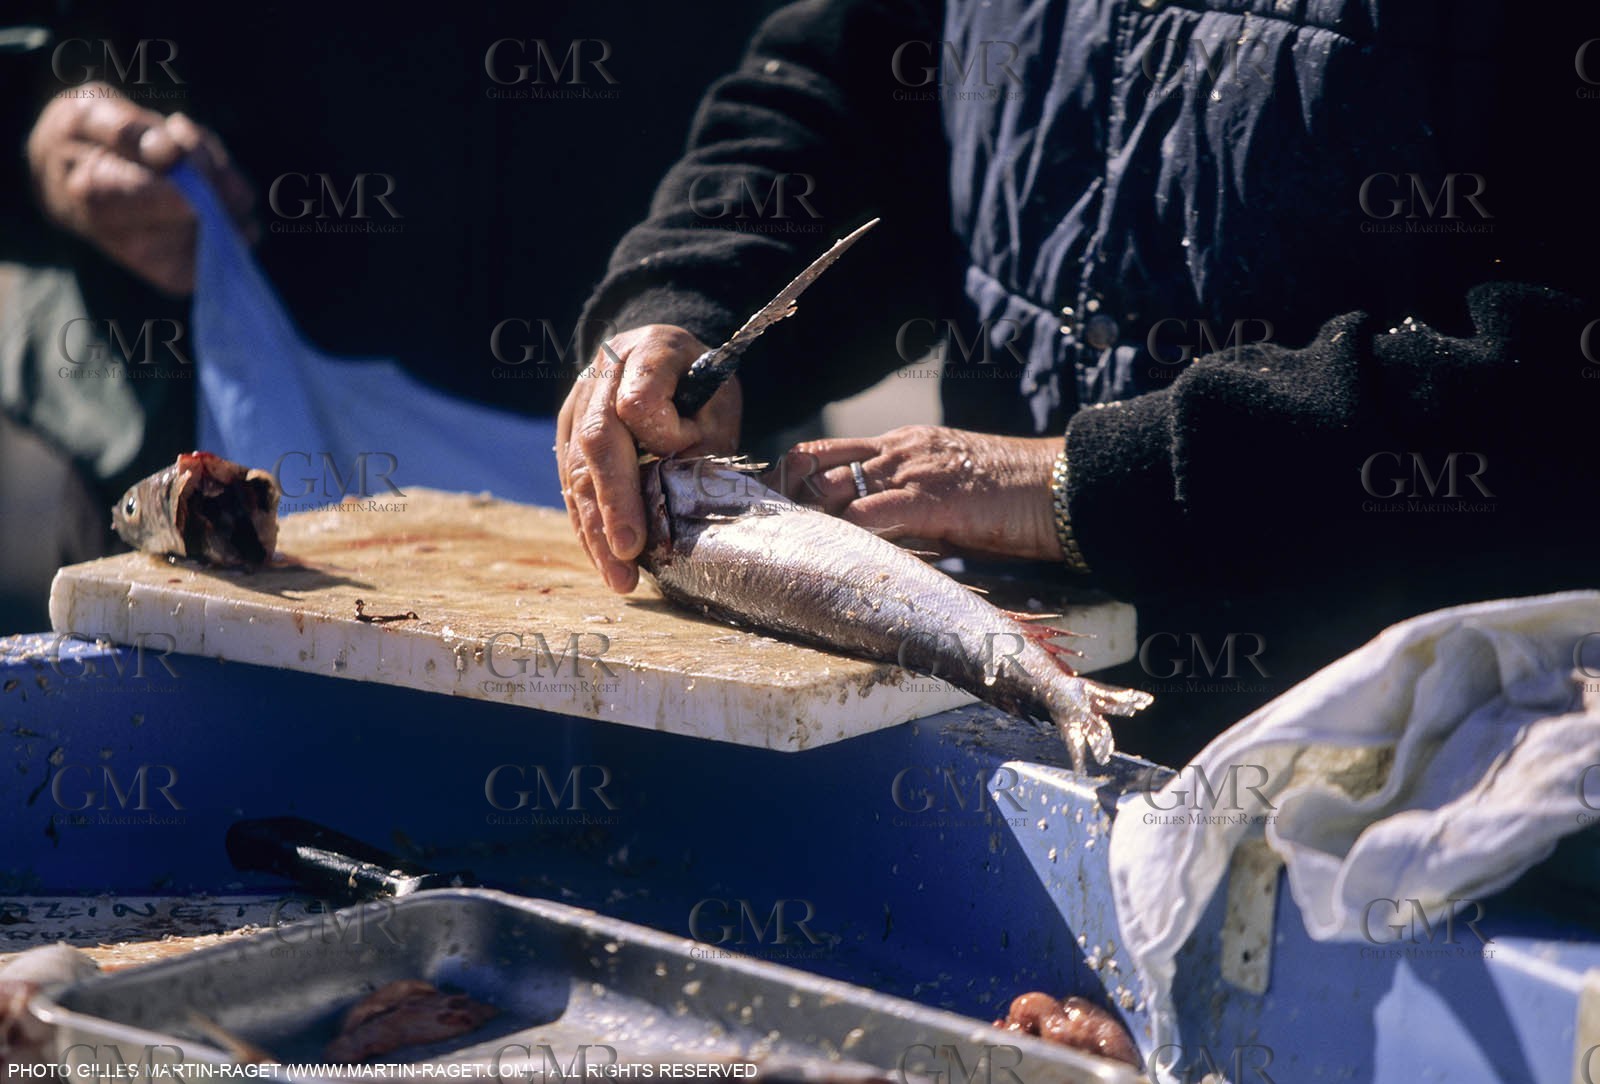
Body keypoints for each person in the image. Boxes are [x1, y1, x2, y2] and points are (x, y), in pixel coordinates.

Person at [556, 0, 1598, 765]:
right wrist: (688, 300)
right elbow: (855, 86)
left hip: (1432, 769)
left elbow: (1563, 379)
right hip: (1018, 718)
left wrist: (1103, 479)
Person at [0, 1, 778, 630]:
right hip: (200, 423)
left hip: (686, 439)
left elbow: (843, 78)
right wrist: (37, 124)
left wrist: (700, 302)